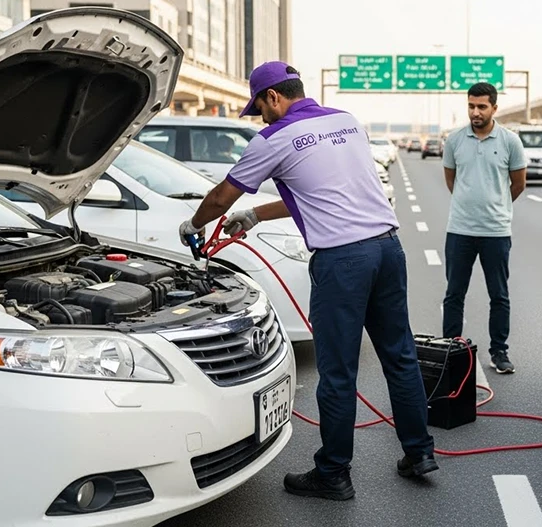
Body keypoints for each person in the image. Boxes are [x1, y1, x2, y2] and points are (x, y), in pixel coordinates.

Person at [178, 61, 437, 501]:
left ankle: (333, 473)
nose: (260, 115)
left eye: (259, 106)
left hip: (343, 262)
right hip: (387, 249)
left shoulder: (273, 137)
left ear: (273, 97)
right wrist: (257, 214)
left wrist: (194, 223)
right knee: (400, 356)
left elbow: (222, 195)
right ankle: (420, 453)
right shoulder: (346, 122)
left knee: (337, 371)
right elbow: (322, 187)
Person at [441, 82, 527, 374]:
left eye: (481, 107)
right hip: (460, 230)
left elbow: (518, 184)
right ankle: (451, 348)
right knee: (454, 293)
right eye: (471, 106)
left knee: (499, 295)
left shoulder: (510, 141)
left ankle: (499, 352)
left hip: (496, 232)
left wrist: (495, 206)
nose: (475, 112)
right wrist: (470, 205)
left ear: (494, 108)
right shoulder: (454, 140)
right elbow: (451, 180)